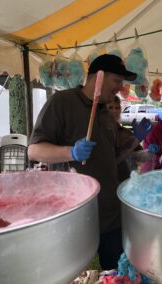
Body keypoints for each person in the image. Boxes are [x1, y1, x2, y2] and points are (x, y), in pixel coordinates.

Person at [28, 54, 150, 270]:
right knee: (73, 272)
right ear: (99, 77)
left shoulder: (104, 112)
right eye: (117, 80)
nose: (120, 87)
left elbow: (112, 158)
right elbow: (34, 151)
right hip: (75, 214)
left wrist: (144, 154)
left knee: (115, 273)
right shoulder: (62, 101)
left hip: (110, 214)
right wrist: (71, 152)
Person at [106, 95, 143, 182]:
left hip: (127, 178)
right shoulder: (99, 133)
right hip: (108, 181)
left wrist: (150, 151)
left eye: (117, 107)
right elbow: (110, 163)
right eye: (110, 107)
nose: (115, 110)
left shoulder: (126, 132)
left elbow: (139, 155)